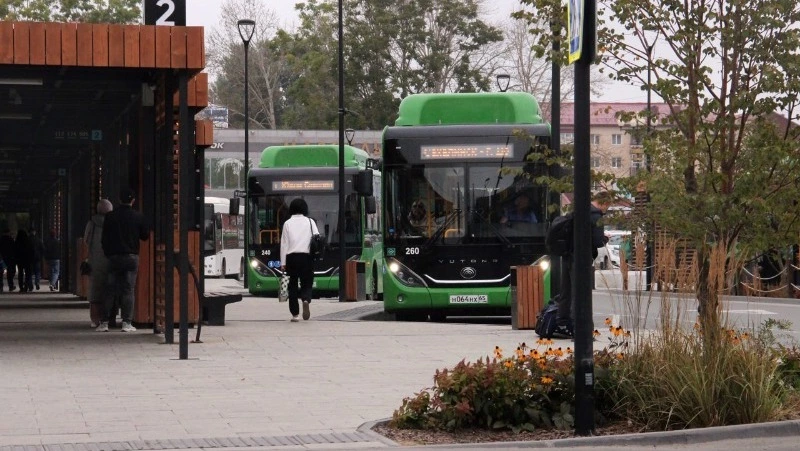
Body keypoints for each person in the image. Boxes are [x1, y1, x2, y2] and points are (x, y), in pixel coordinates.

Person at [97, 188, 149, 333]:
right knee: (128, 290)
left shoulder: (110, 217)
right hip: (131, 257)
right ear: (133, 200)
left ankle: (105, 322)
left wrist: (108, 253)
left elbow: (104, 239)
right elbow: (145, 236)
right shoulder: (138, 216)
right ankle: (126, 322)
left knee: (110, 290)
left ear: (119, 200)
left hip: (113, 257)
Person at [554, 204, 607, 338]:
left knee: (566, 292)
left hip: (567, 255)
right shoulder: (595, 216)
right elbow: (597, 241)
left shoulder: (575, 211)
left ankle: (562, 323)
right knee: (581, 294)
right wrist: (605, 239)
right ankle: (580, 330)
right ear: (604, 203)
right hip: (581, 258)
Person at [280, 198, 319, 322]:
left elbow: (284, 244)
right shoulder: (310, 221)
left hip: (291, 258)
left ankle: (295, 314)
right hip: (306, 257)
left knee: (292, 286)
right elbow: (317, 237)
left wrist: (283, 263)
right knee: (306, 282)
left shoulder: (287, 223)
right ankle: (306, 299)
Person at [84, 200, 113, 328]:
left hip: (95, 260)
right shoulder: (113, 222)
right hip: (110, 260)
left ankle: (95, 319)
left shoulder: (92, 223)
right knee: (109, 290)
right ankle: (109, 318)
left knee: (95, 291)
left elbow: (86, 240)